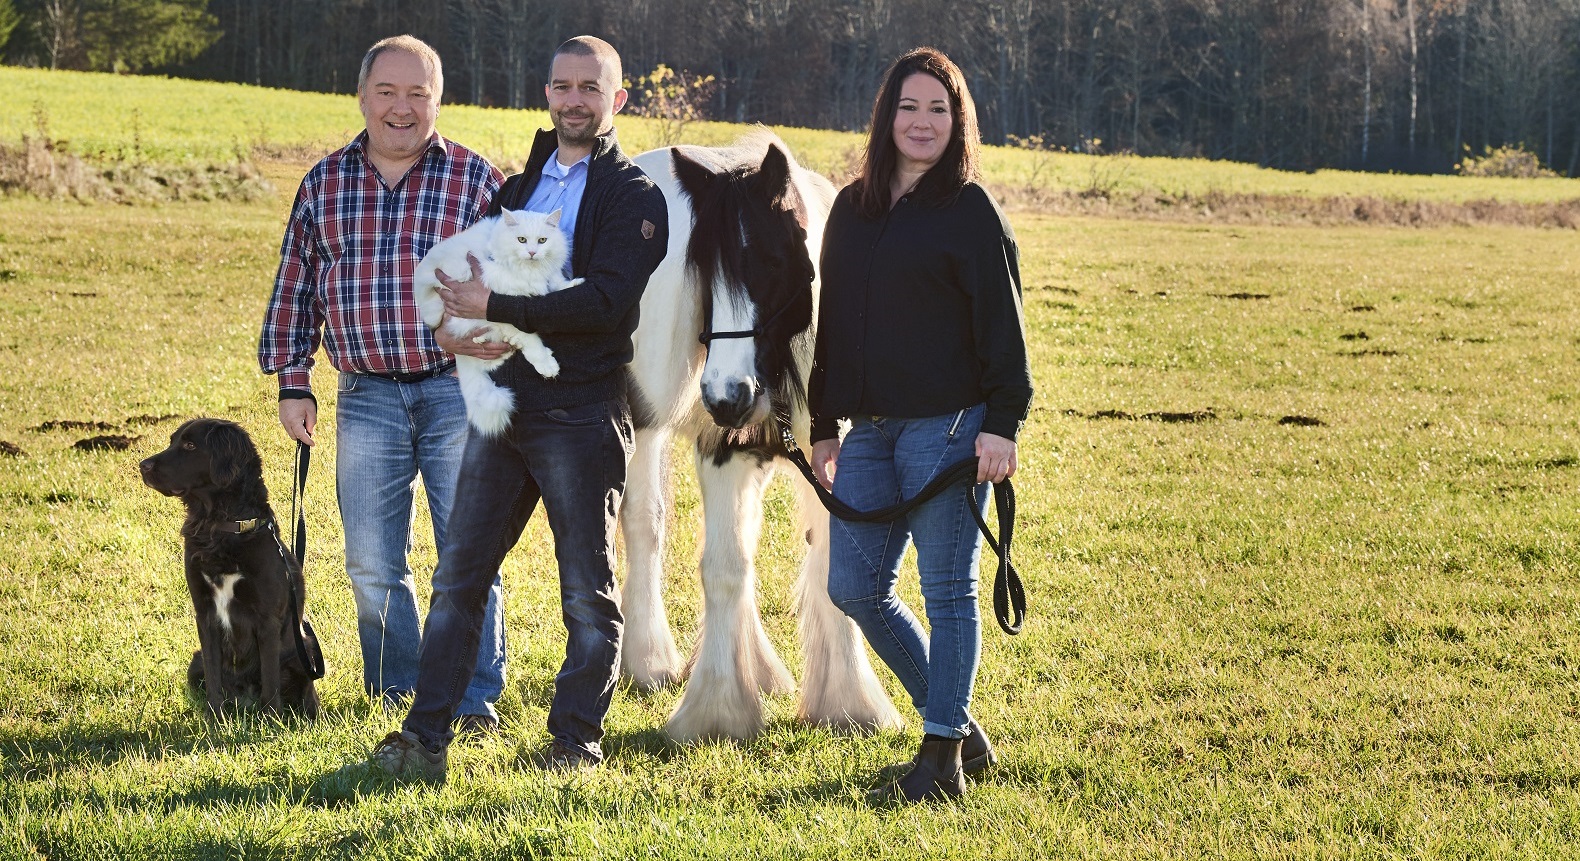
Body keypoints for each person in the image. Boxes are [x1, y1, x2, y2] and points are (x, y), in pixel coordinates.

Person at [368, 35, 669, 780]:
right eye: (562, 85)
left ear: (616, 100)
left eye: (589, 89)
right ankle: (425, 735)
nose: (574, 100)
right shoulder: (515, 191)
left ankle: (576, 740)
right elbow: (465, 280)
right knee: (459, 576)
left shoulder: (636, 198)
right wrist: (452, 326)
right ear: (547, 94)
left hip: (580, 412)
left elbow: (605, 302)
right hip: (504, 406)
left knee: (583, 589)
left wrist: (496, 304)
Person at [259, 35, 511, 734]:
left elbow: (520, 289)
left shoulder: (475, 180)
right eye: (387, 93)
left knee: (469, 553)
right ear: (363, 97)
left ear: (438, 100)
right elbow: (296, 288)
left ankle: (471, 699)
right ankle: (398, 692)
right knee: (372, 560)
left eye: (417, 94)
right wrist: (294, 380)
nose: (401, 108)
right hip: (365, 395)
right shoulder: (324, 183)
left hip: (457, 391)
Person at [809, 47, 1033, 804]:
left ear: (957, 121)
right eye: (910, 106)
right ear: (887, 116)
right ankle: (959, 725)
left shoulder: (971, 211)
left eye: (939, 109)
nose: (922, 121)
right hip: (869, 428)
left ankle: (940, 761)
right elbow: (832, 322)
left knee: (947, 590)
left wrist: (1001, 425)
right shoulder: (852, 207)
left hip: (951, 426)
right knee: (855, 586)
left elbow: (1005, 329)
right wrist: (822, 422)